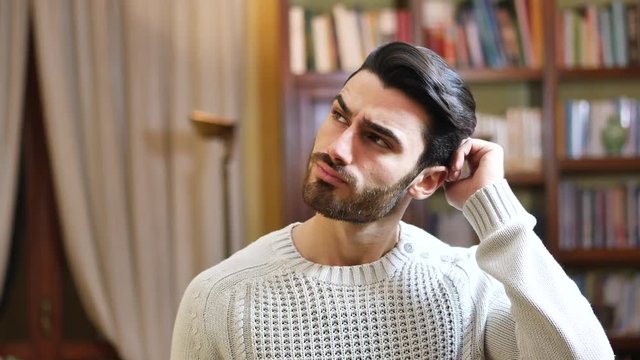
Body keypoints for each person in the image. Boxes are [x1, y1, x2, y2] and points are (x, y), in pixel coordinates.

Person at [170, 42, 614, 359]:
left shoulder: (468, 290)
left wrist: (499, 213)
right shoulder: (218, 298)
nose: (337, 148)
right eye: (339, 115)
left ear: (427, 181)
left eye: (376, 139)